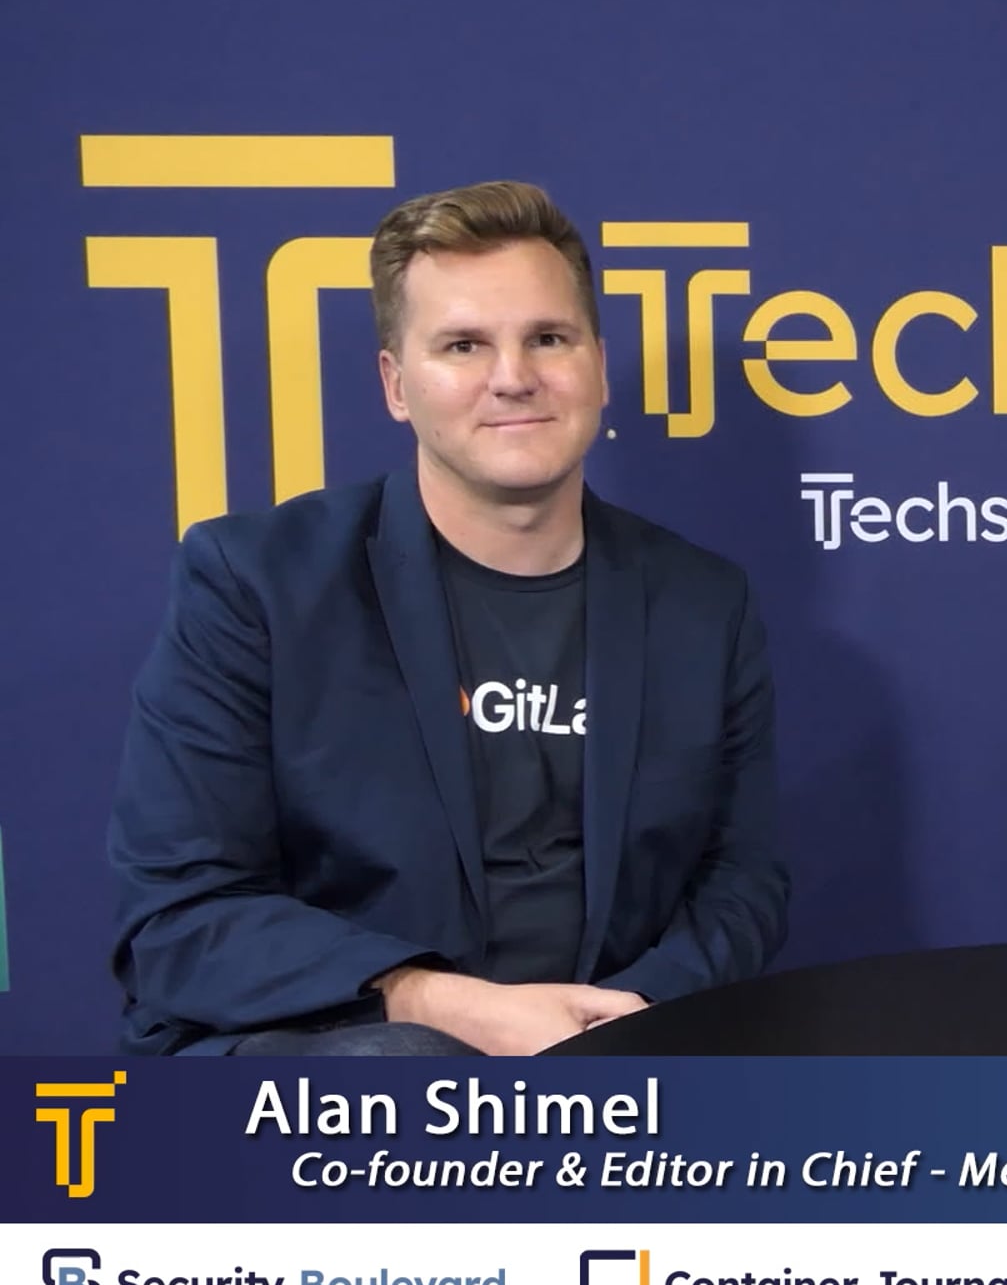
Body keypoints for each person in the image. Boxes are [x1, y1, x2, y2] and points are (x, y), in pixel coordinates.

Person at [108, 180, 790, 1055]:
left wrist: (635, 1015)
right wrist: (436, 1004)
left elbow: (742, 881)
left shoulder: (704, 603)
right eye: (464, 345)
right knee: (414, 1066)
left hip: (606, 1066)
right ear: (397, 385)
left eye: (548, 338)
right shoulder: (258, 584)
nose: (513, 378)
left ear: (597, 365)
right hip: (336, 1051)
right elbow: (179, 914)